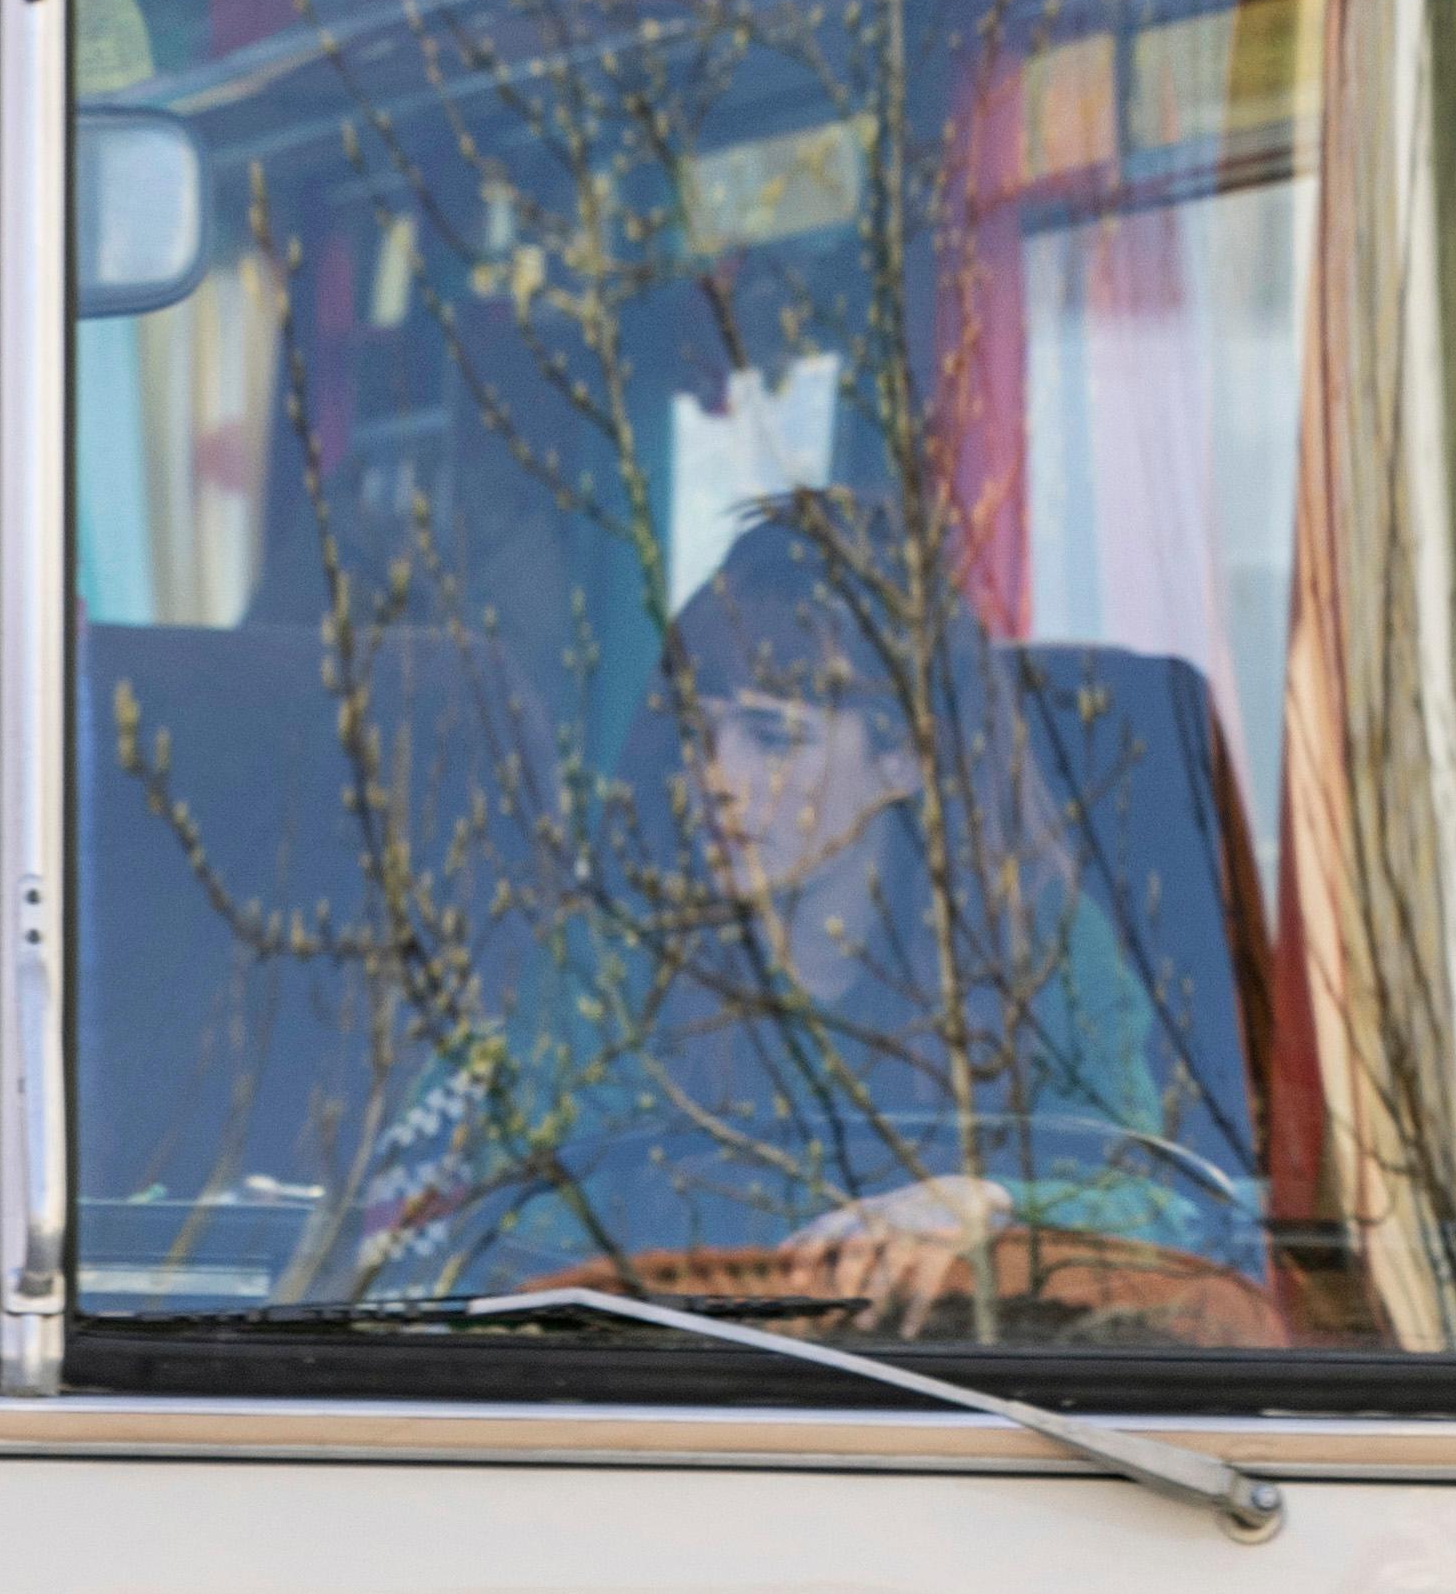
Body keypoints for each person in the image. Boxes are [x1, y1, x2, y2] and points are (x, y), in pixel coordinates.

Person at [512, 498, 1280, 1342]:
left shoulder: (1035, 947)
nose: (714, 777)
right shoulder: (608, 957)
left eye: (772, 737)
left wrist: (983, 1203)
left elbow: (1163, 1202)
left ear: (903, 756)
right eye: (698, 731)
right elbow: (505, 1217)